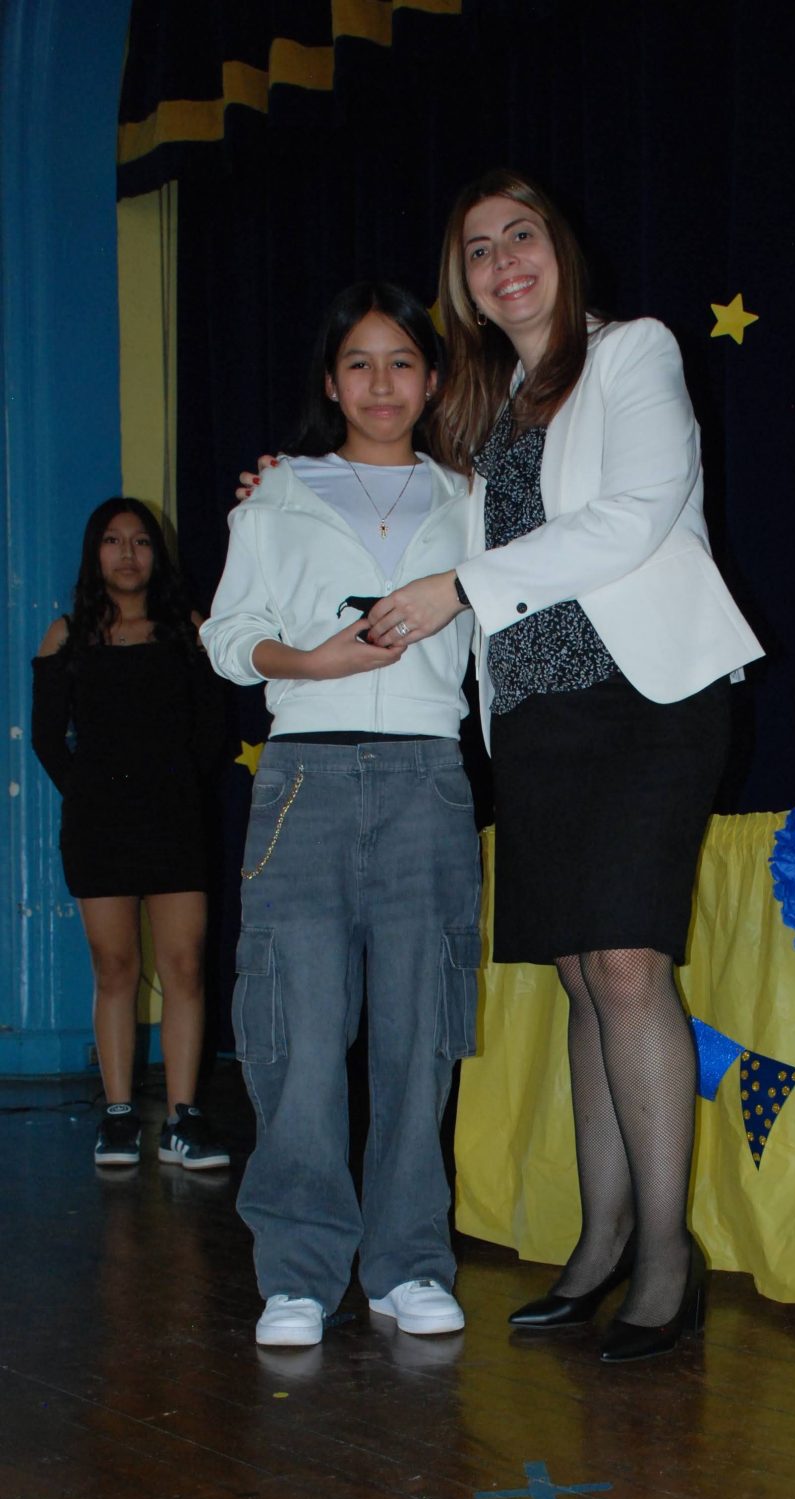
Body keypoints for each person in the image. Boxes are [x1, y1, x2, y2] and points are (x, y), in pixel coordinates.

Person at [360, 171, 764, 1362]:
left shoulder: (634, 353)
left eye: (520, 236)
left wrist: (461, 585)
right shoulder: (481, 408)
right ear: (465, 285)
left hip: (644, 703)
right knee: (586, 979)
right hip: (535, 719)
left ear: (559, 248)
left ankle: (666, 1258)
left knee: (629, 965)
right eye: (479, 251)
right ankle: (599, 1243)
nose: (503, 263)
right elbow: (403, 510)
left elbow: (634, 512)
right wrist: (284, 490)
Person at [202, 283, 478, 1350]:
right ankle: (298, 1272)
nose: (380, 383)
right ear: (331, 381)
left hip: (428, 778)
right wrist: (308, 662)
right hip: (303, 782)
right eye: (358, 363)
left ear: (433, 380)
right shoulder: (278, 495)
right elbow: (230, 635)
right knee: (297, 1036)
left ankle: (409, 1261)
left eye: (401, 361)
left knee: (421, 1033)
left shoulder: (470, 498)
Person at [31, 498, 229, 1171]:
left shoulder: (188, 631)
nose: (127, 553)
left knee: (185, 966)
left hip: (174, 825)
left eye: (141, 541)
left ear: (156, 555)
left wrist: (172, 792)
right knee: (115, 969)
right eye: (113, 541)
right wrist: (94, 796)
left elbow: (212, 731)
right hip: (99, 829)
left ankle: (183, 1119)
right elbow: (47, 740)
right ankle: (118, 1115)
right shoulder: (65, 636)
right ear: (95, 553)